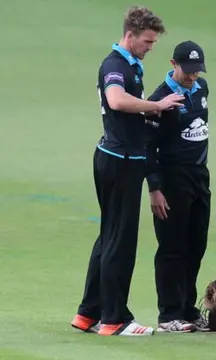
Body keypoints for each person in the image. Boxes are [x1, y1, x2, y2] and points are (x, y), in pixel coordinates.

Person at [71, 6, 185, 337]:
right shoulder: (115, 65)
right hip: (120, 160)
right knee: (121, 241)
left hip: (119, 158)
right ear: (130, 35)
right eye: (147, 41)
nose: (151, 47)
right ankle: (114, 318)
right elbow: (117, 100)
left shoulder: (130, 64)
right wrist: (157, 106)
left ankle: (88, 312)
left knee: (109, 236)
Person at [144, 40, 211, 333]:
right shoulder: (160, 99)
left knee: (196, 245)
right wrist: (154, 188)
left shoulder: (201, 88)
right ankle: (169, 313)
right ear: (173, 64)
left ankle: (187, 308)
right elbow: (148, 147)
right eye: (187, 70)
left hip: (199, 177)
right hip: (171, 181)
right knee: (173, 247)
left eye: (197, 71)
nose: (192, 76)